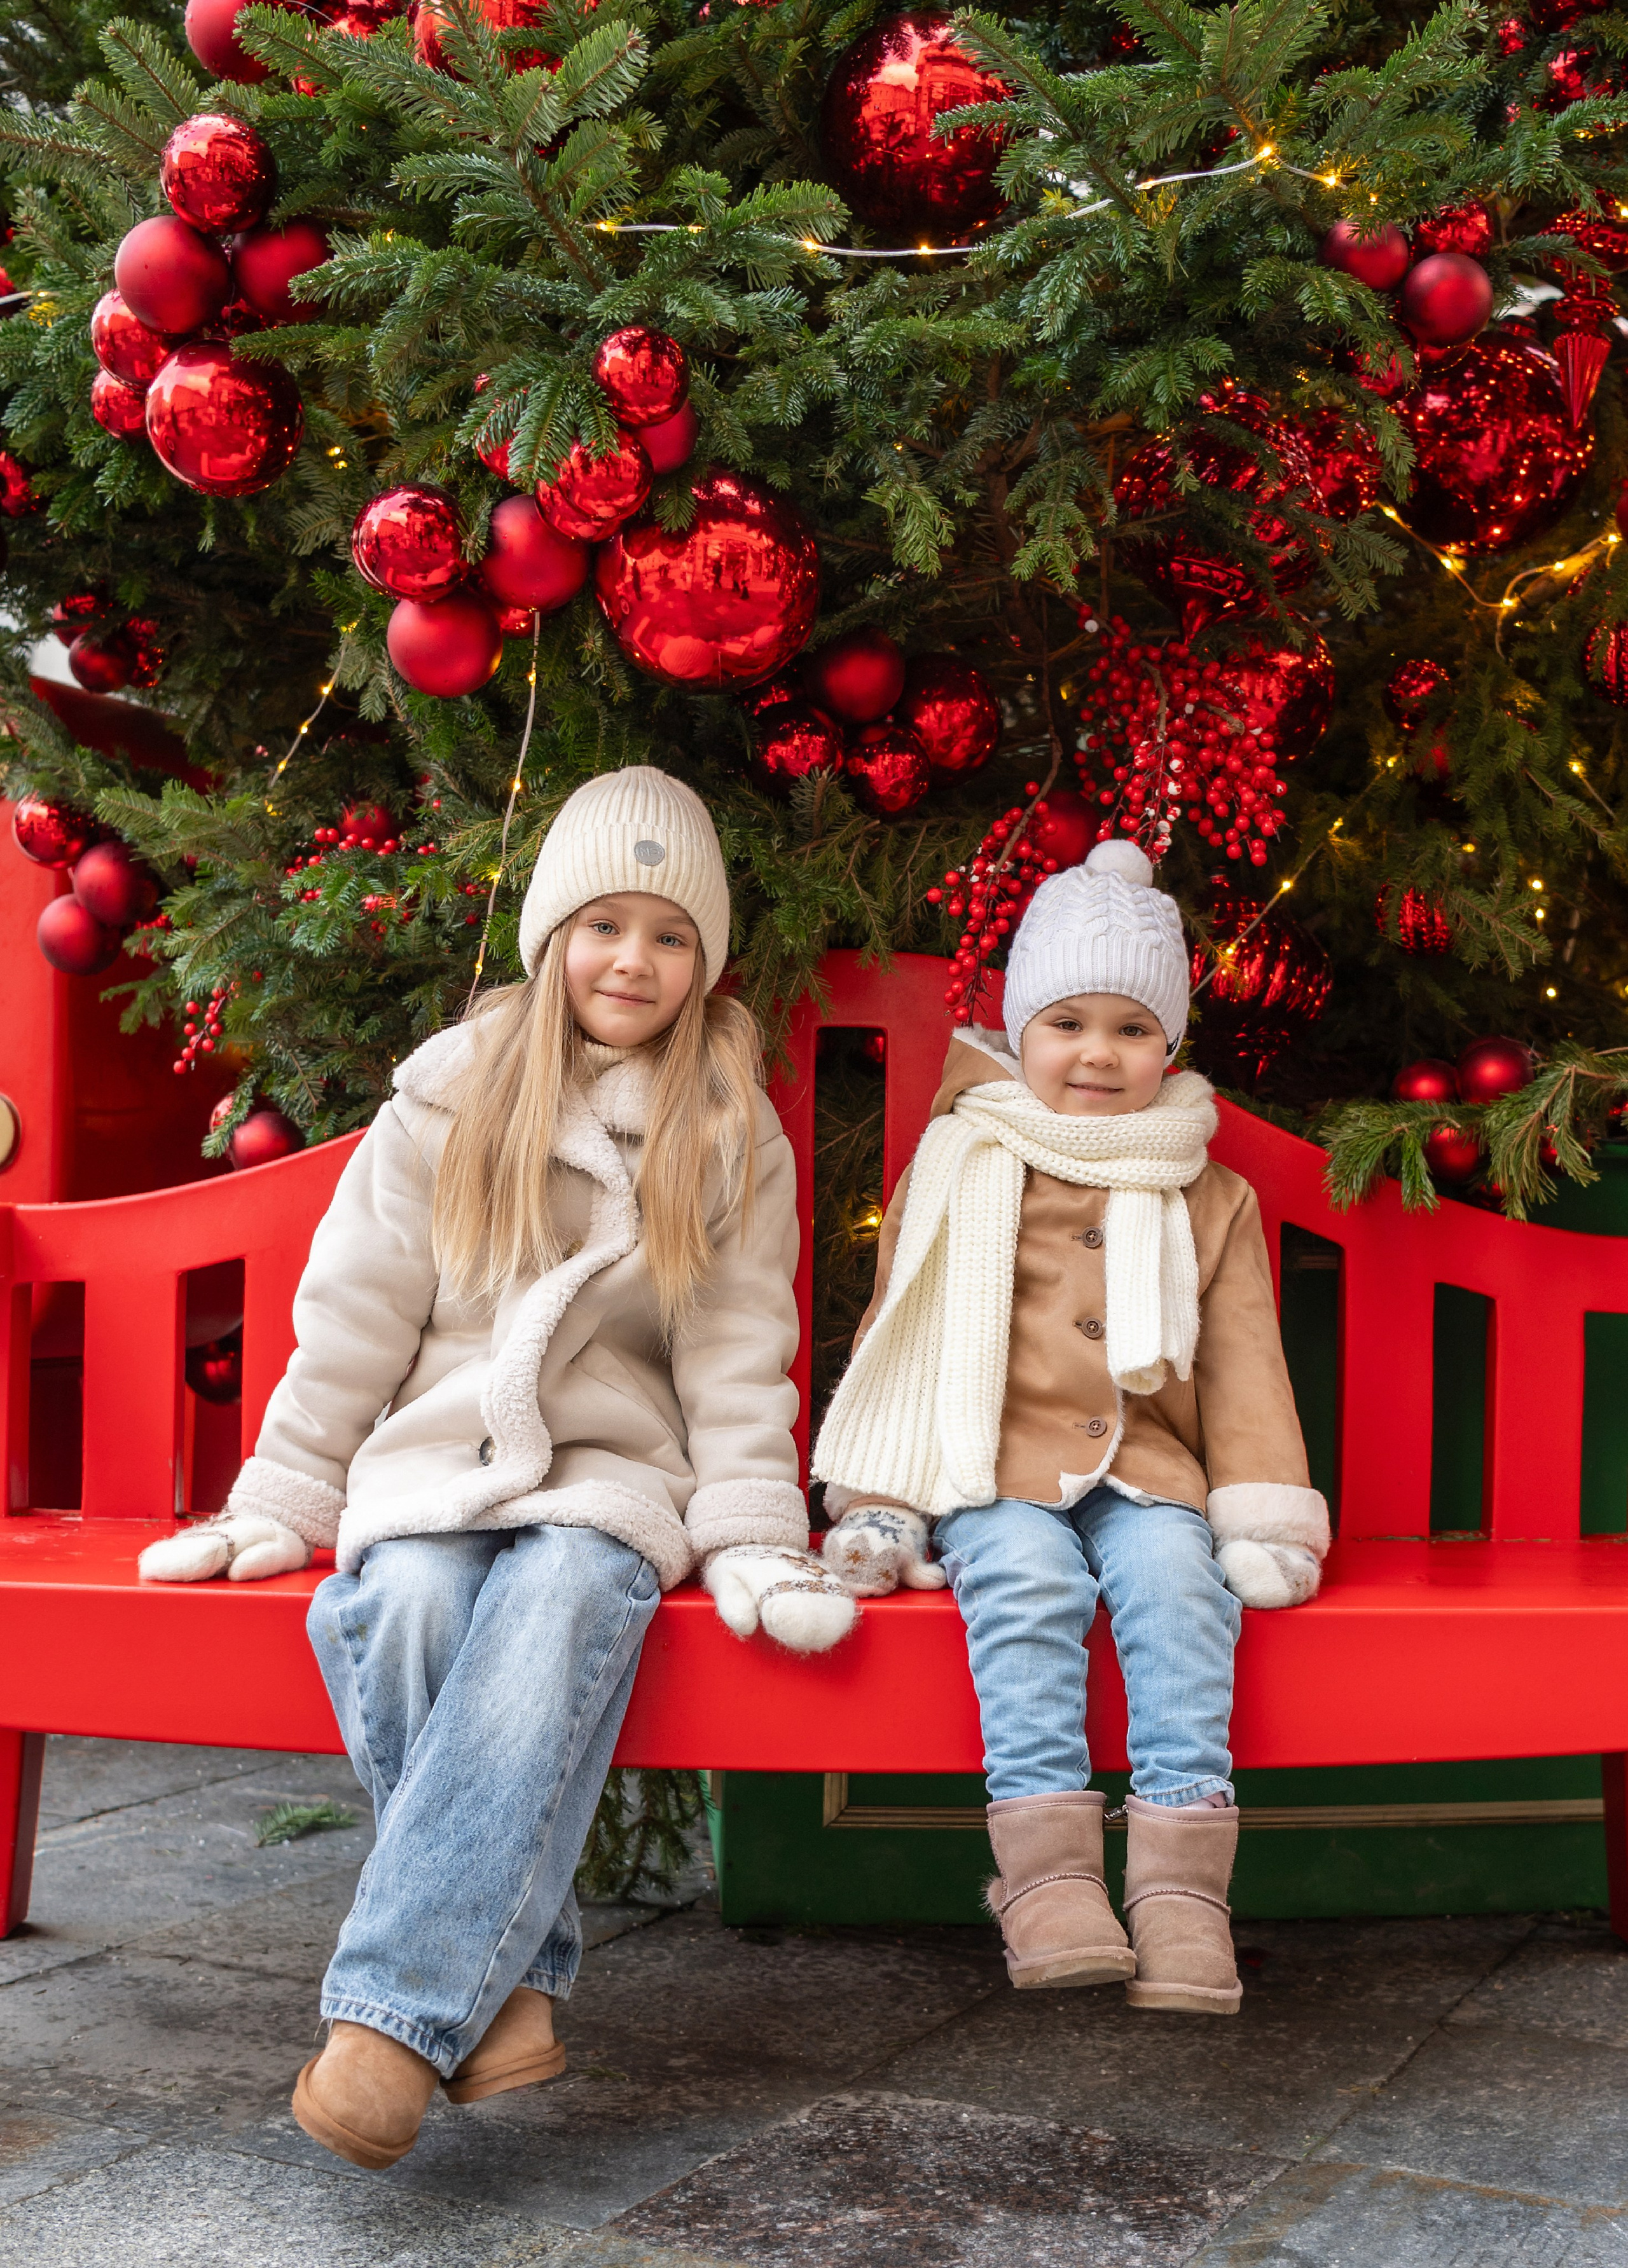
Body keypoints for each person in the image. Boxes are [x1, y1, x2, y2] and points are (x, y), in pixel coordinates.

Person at [139, 766, 854, 2166]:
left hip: (609, 1467)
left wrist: (753, 1516)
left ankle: (395, 2017)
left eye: (666, 934)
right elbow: (354, 1313)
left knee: (567, 1591)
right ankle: (509, 1988)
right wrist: (287, 1486)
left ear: (702, 961)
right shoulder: (449, 1095)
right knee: (394, 1602)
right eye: (602, 925)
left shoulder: (726, 1123)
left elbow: (733, 1340)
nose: (631, 960)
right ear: (549, 939)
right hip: (433, 1456)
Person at [813, 839, 1330, 2014]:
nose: (1098, 1053)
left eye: (1132, 1030)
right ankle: (1047, 1884)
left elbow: (1247, 1367)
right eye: (1069, 1024)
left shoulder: (1206, 1189)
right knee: (1029, 1595)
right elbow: (909, 1337)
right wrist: (889, 1499)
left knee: (1179, 1595)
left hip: (1149, 1469)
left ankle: (1183, 1896)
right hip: (991, 1467)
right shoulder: (964, 1159)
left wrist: (1259, 1507)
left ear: (1171, 1047)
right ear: (1021, 1031)